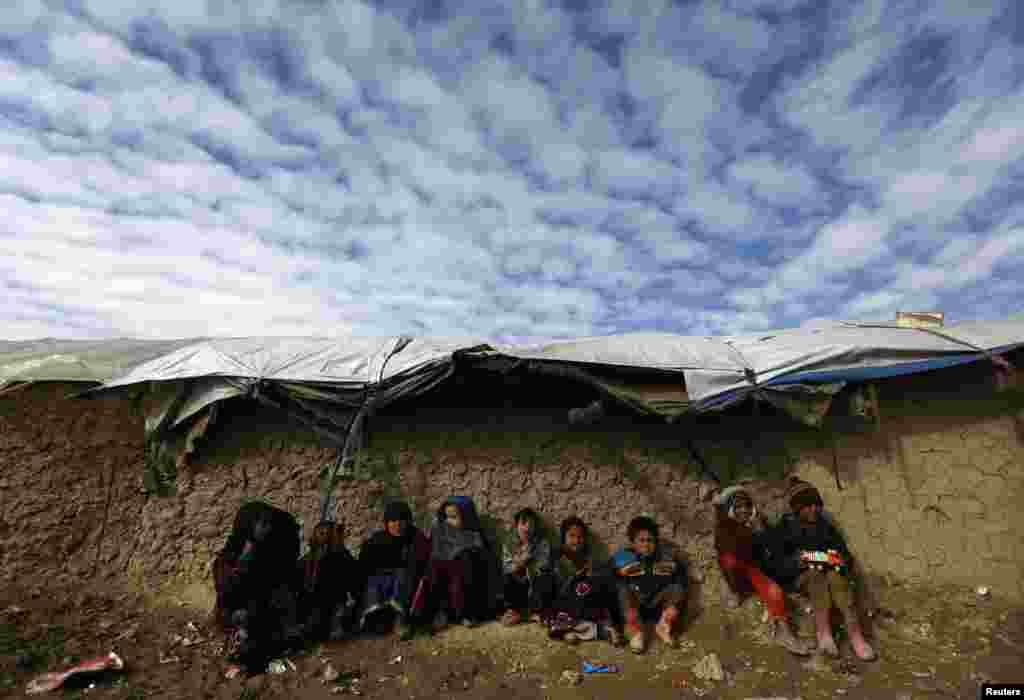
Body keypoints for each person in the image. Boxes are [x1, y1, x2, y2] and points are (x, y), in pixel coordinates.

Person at [761, 479, 877, 661]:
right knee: (816, 576)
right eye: (807, 506)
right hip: (801, 577)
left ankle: (856, 636)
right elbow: (775, 565)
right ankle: (824, 634)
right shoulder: (785, 529)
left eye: (816, 505)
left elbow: (845, 555)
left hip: (828, 573)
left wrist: (836, 559)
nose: (813, 509)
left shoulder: (825, 526)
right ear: (797, 508)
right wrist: (796, 562)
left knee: (836, 578)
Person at [714, 485, 811, 655]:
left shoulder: (759, 522)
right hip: (740, 573)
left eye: (746, 505)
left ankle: (785, 634)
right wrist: (752, 533)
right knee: (729, 560)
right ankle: (738, 592)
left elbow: (774, 548)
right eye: (737, 507)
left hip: (760, 568)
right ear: (728, 509)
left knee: (775, 592)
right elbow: (736, 552)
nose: (743, 510)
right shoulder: (724, 529)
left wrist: (761, 531)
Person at [214, 502, 302, 676]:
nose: (267, 528)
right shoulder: (231, 555)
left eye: (269, 524)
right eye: (262, 524)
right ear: (249, 526)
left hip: (263, 614)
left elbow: (278, 587)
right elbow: (229, 588)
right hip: (236, 609)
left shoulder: (271, 555)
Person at [411, 496, 491, 632]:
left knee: (463, 563)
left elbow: (481, 558)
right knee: (433, 570)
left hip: (465, 578)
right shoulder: (441, 531)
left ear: (467, 516)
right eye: (447, 517)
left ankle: (465, 614)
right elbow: (434, 552)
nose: (449, 521)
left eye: (454, 517)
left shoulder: (474, 534)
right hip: (443, 575)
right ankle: (438, 613)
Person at [611, 516, 688, 653]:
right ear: (633, 542)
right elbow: (611, 579)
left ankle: (663, 626)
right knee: (623, 589)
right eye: (641, 540)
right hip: (635, 607)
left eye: (650, 540)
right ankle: (636, 632)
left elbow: (681, 577)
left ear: (656, 541)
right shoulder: (623, 557)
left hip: (657, 606)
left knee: (677, 588)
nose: (646, 545)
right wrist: (618, 572)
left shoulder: (666, 557)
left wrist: (674, 606)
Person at [543, 516, 624, 646]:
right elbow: (553, 585)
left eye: (580, 537)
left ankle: (573, 630)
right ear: (563, 537)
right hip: (560, 604)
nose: (576, 541)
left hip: (580, 605)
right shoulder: (556, 557)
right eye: (572, 536)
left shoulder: (587, 557)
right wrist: (575, 577)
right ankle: (585, 630)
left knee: (598, 583)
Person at [357, 500, 431, 640]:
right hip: (380, 583)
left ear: (408, 521)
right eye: (392, 521)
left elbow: (423, 564)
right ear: (386, 523)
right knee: (373, 582)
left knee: (403, 577)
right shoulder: (377, 540)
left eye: (401, 520)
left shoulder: (417, 538)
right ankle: (375, 619)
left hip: (407, 582)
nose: (397, 525)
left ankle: (401, 620)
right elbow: (363, 566)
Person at [296, 520, 360, 643]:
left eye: (328, 534)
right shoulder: (307, 561)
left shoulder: (342, 558)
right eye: (322, 533)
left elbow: (354, 581)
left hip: (334, 607)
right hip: (311, 608)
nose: (325, 536)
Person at [500, 508, 555, 626]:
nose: (527, 528)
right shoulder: (509, 543)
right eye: (523, 523)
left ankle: (537, 612)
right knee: (508, 577)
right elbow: (506, 566)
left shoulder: (541, 543)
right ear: (516, 525)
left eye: (531, 524)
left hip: (535, 580)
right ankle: (514, 611)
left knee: (546, 578)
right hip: (519, 581)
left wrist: (530, 561)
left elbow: (544, 564)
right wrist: (520, 563)